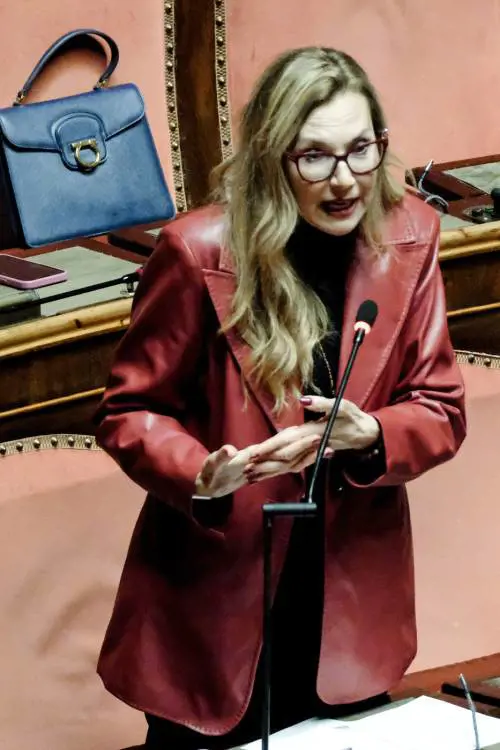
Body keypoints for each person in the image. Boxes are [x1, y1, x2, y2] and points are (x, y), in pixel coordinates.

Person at [94, 47, 466, 748]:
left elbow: (440, 406)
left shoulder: (410, 235)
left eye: (361, 150)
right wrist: (197, 472)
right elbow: (128, 410)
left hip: (349, 609)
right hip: (218, 600)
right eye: (315, 157)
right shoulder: (198, 251)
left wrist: (371, 433)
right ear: (272, 157)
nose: (345, 179)